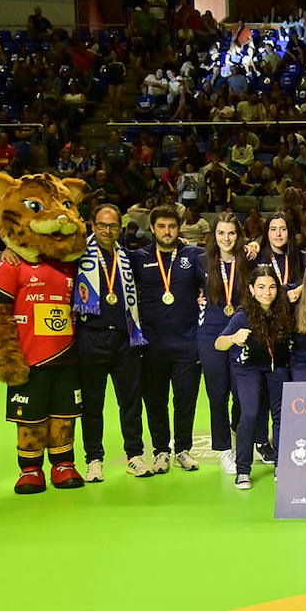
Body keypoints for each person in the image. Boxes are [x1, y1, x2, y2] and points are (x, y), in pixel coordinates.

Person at [73, 202, 152, 480]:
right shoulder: (77, 254)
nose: (108, 230)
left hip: (124, 339)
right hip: (90, 337)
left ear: (121, 227)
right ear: (92, 226)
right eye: (102, 225)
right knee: (92, 403)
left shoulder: (128, 257)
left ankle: (134, 454)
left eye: (113, 225)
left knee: (130, 401)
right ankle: (94, 459)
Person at [130, 204, 206, 473]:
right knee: (155, 400)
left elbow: (225, 258)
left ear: (179, 228)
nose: (167, 231)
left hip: (187, 342)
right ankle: (161, 450)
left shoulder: (194, 254)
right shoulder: (138, 257)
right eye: (161, 226)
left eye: (172, 226)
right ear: (151, 228)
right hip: (152, 344)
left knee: (185, 400)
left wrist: (252, 247)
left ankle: (183, 450)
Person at [216, 265, 292, 489]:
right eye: (261, 287)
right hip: (249, 368)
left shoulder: (284, 309)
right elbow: (218, 343)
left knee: (281, 415)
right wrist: (233, 338)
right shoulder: (243, 315)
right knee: (249, 414)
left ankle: (281, 464)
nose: (266, 292)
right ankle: (243, 470)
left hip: (277, 368)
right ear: (251, 289)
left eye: (271, 287)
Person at [199, 213, 248, 475]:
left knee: (242, 394)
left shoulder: (248, 262)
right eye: (221, 233)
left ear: (238, 236)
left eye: (231, 233)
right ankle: (223, 450)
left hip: (241, 334)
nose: (226, 238)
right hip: (209, 335)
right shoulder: (201, 261)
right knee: (217, 395)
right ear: (214, 235)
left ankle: (238, 431)